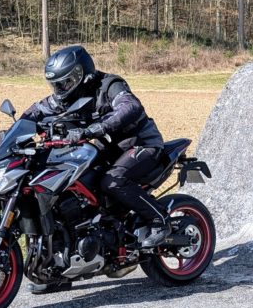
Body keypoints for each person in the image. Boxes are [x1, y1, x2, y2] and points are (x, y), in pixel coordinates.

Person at [21, 45, 170, 252]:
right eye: (56, 84)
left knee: (112, 181)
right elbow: (37, 111)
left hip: (140, 143)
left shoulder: (109, 85)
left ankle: (159, 219)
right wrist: (17, 130)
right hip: (107, 148)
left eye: (65, 82)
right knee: (72, 182)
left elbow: (130, 106)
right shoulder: (65, 97)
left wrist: (97, 128)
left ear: (82, 74)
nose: (60, 89)